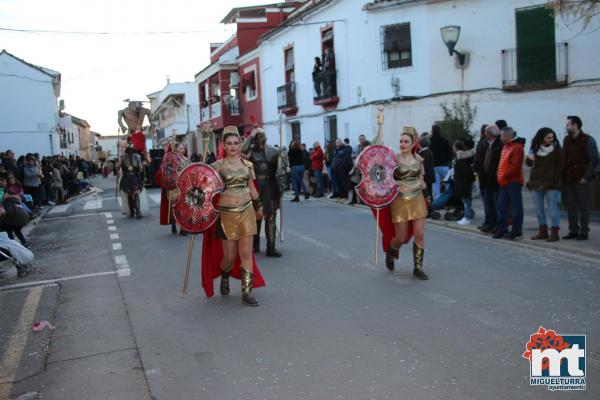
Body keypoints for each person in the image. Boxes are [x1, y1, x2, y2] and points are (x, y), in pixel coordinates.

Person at [208, 126, 265, 306]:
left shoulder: (248, 165)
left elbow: (252, 188)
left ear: (240, 144)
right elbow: (206, 190)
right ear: (223, 145)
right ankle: (225, 275)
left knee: (246, 253)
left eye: (236, 143)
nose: (233, 146)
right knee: (230, 257)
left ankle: (246, 292)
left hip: (246, 211)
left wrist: (260, 206)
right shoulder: (216, 167)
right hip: (226, 215)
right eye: (229, 143)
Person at [383, 127, 429, 279]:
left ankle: (418, 268)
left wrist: (421, 185)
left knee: (419, 233)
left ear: (413, 143)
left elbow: (422, 181)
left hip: (417, 199)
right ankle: (391, 250)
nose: (402, 144)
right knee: (401, 238)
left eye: (406, 141)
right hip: (400, 201)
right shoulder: (393, 160)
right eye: (401, 141)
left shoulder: (419, 160)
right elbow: (386, 181)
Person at [242, 128, 287, 257]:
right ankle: (256, 246)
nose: (261, 142)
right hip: (256, 186)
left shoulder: (272, 152)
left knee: (270, 217)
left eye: (262, 140)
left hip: (269, 187)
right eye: (258, 140)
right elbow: (242, 151)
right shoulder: (250, 153)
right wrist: (251, 135)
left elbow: (282, 167)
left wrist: (282, 153)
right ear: (255, 141)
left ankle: (270, 248)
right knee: (257, 216)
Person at [561, 116, 598, 241]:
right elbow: (564, 158)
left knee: (583, 206)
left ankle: (584, 231)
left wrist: (586, 176)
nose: (566, 127)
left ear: (575, 125)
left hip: (582, 178)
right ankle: (573, 230)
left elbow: (594, 160)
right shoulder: (566, 140)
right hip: (568, 178)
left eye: (568, 124)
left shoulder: (588, 140)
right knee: (570, 206)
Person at [526, 128, 563, 242]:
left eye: (552, 137)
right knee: (538, 209)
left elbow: (561, 166)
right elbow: (528, 163)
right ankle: (542, 231)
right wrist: (529, 158)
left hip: (552, 184)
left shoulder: (557, 149)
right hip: (536, 183)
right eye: (548, 138)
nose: (551, 140)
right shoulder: (535, 148)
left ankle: (555, 233)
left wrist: (555, 179)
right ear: (542, 138)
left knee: (553, 208)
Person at [494, 127, 525, 240]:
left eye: (502, 136)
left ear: (508, 136)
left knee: (516, 207)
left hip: (513, 182)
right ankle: (502, 228)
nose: (500, 138)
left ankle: (517, 230)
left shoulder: (517, 147)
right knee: (501, 205)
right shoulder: (506, 146)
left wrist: (503, 175)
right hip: (504, 181)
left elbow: (514, 167)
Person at [473, 124, 503, 234]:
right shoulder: (485, 144)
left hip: (494, 180)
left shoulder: (499, 145)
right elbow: (479, 159)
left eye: (486, 133)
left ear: (490, 134)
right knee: (488, 203)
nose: (485, 134)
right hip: (485, 178)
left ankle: (497, 224)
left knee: (496, 204)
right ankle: (490, 223)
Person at [157, 143, 189, 235]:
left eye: (183, 148)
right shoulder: (171, 158)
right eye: (180, 148)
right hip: (174, 186)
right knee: (175, 207)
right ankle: (174, 224)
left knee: (184, 206)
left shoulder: (186, 159)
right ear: (176, 149)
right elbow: (167, 171)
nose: (182, 150)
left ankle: (183, 227)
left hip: (184, 185)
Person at [453, 141, 476, 225]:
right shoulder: (464, 157)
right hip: (464, 182)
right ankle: (469, 214)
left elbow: (466, 171)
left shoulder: (460, 158)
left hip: (463, 182)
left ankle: (467, 217)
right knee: (466, 200)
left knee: (466, 201)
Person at [119, 146, 144, 219]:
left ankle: (137, 212)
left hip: (134, 177)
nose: (130, 153)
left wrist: (141, 168)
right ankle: (133, 212)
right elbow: (118, 166)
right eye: (129, 152)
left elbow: (140, 168)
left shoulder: (137, 157)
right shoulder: (123, 157)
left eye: (131, 152)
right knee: (130, 194)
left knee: (134, 194)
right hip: (127, 178)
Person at [430, 124, 453, 199]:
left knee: (436, 185)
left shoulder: (430, 141)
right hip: (444, 165)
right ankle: (447, 199)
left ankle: (437, 200)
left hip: (434, 166)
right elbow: (450, 153)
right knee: (447, 184)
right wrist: (447, 160)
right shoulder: (445, 140)